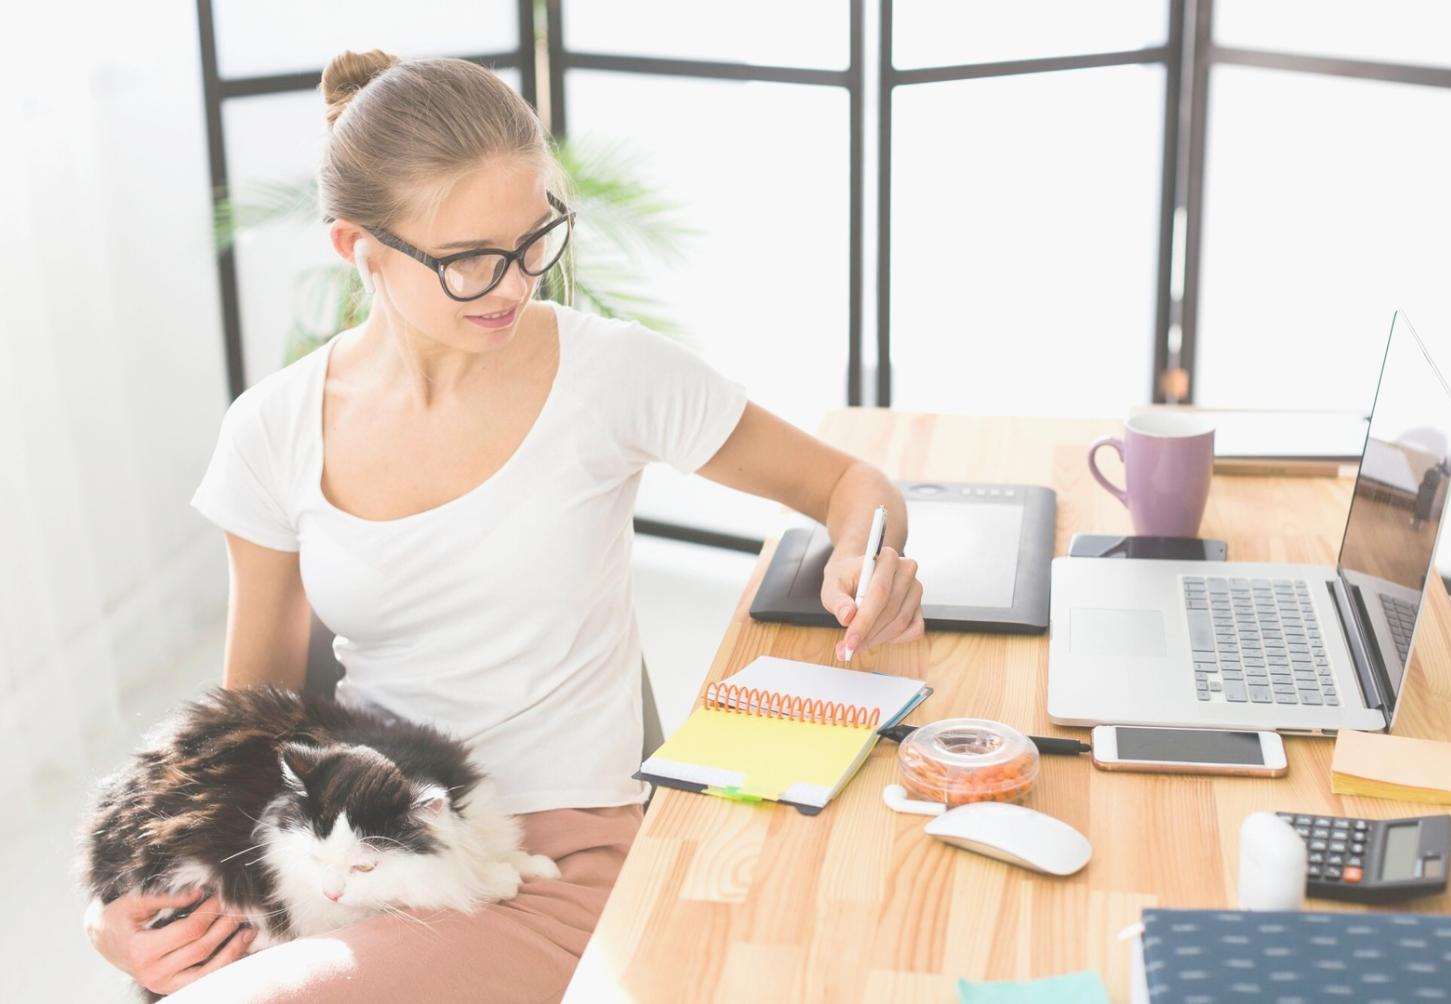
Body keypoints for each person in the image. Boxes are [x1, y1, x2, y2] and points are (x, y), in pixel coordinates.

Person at [85, 49, 924, 1002]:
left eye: (534, 240)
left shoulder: (609, 375)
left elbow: (852, 483)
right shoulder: (272, 430)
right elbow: (244, 732)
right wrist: (116, 911)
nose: (514, 285)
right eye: (467, 260)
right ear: (357, 248)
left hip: (549, 864)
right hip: (348, 859)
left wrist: (866, 553)